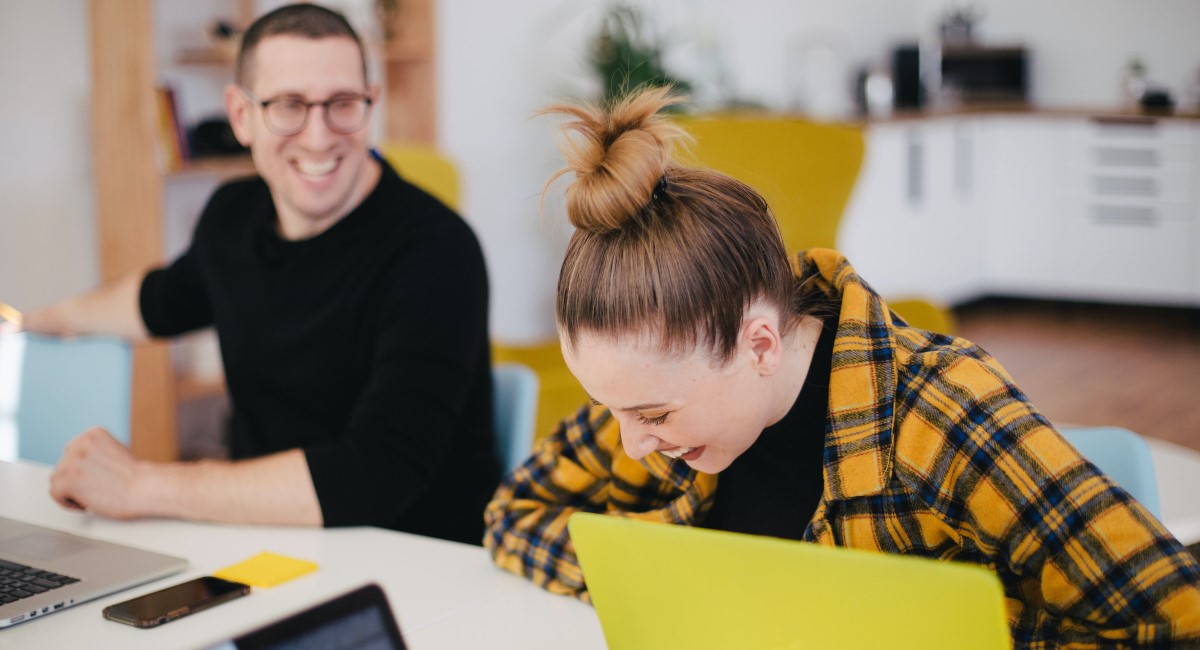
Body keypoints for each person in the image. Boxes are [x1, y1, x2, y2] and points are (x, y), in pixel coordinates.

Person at [483, 86, 1200, 646]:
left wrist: (924, 631)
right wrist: (674, 582)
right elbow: (514, 516)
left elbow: (1172, 621)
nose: (631, 441)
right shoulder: (658, 398)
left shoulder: (941, 412)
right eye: (612, 409)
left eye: (652, 415)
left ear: (759, 344)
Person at [18, 3, 498, 545]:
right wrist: (39, 319)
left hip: (416, 562)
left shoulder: (437, 251)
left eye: (342, 104)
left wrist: (142, 485)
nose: (318, 137)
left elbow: (376, 473)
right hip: (262, 541)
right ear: (241, 116)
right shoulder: (232, 216)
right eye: (288, 106)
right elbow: (161, 300)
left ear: (371, 105)